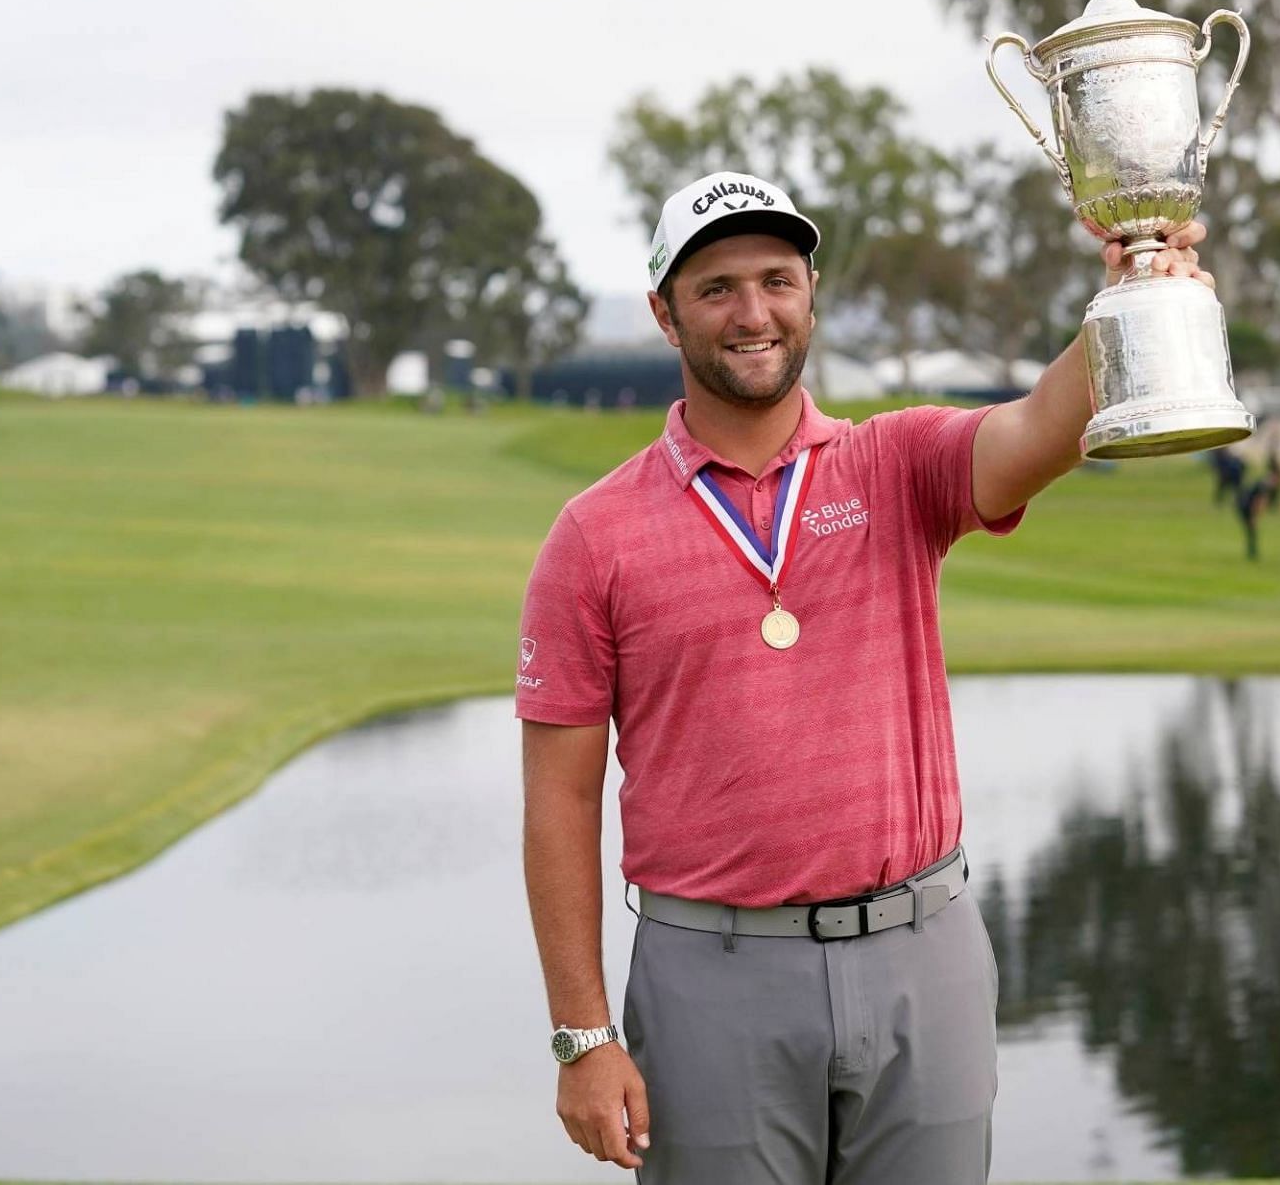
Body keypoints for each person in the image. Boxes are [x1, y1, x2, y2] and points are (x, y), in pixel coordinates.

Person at [515, 169, 1218, 1182]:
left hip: (919, 952)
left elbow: (1039, 427)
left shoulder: (891, 463)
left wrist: (1136, 292)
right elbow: (559, 797)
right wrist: (582, 1034)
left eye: (776, 279)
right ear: (665, 313)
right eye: (716, 288)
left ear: (809, 294)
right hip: (713, 973)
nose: (753, 311)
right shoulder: (594, 534)